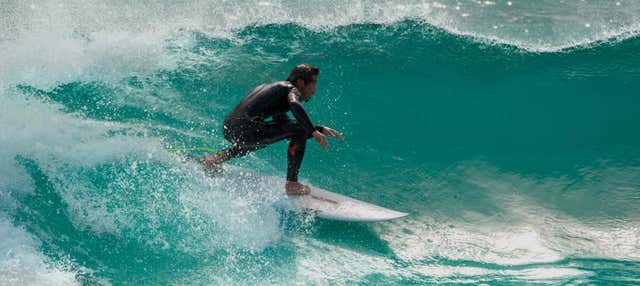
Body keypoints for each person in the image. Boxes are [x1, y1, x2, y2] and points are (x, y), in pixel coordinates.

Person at [203, 64, 344, 195]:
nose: (315, 90)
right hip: (244, 130)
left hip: (230, 128)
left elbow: (286, 129)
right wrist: (313, 132)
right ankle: (292, 184)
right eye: (313, 83)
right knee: (295, 130)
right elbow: (295, 106)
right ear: (301, 82)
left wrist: (319, 129)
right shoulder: (291, 89)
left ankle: (215, 158)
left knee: (261, 139)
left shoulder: (276, 91)